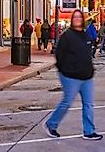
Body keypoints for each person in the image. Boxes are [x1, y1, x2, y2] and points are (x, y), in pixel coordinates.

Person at [42, 10, 101, 140]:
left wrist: (90, 70)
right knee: (67, 102)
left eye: (80, 17)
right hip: (70, 76)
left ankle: (89, 131)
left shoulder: (85, 36)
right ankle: (51, 124)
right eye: (75, 17)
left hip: (87, 77)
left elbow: (88, 53)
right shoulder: (66, 36)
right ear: (72, 19)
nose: (78, 19)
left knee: (89, 104)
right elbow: (59, 54)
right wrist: (64, 69)